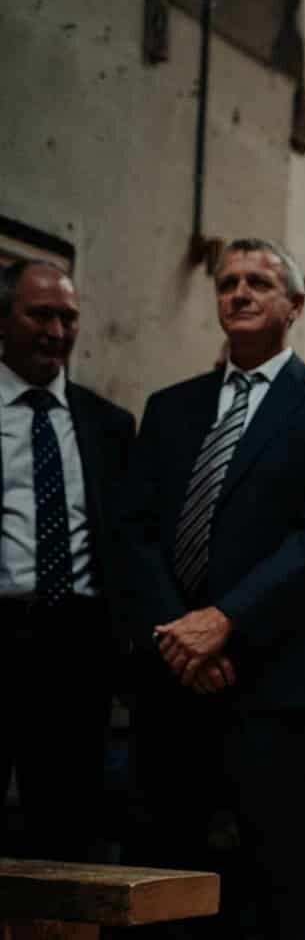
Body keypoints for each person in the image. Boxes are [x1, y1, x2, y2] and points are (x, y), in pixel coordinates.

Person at [115, 237, 305, 940]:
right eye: (227, 282)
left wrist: (225, 624)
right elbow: (138, 531)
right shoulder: (172, 406)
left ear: (295, 305)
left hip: (269, 675)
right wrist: (177, 636)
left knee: (280, 871)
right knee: (164, 861)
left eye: (260, 282)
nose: (240, 292)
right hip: (172, 672)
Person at [0, 259, 134, 861]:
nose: (56, 331)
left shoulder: (108, 425)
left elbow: (127, 543)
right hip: (3, 623)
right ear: (5, 319)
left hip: (78, 647)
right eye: (41, 314)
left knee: (67, 834)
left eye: (69, 317)